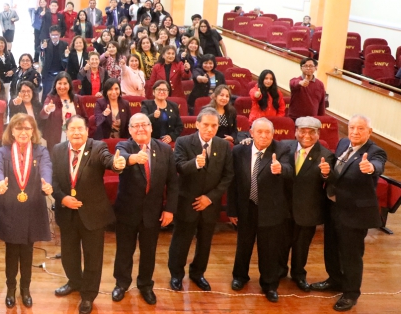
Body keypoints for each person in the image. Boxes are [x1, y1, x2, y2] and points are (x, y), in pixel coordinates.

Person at [51, 115, 126, 314]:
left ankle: (88, 295)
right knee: (69, 254)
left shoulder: (98, 147)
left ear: (87, 131)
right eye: (72, 129)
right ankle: (74, 282)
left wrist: (117, 165)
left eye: (80, 129)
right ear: (66, 132)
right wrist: (62, 198)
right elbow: (54, 181)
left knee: (93, 257)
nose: (76, 132)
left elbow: (108, 160)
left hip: (93, 213)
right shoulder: (58, 150)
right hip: (67, 211)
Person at [312, 115, 386, 311]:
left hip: (354, 213)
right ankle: (335, 280)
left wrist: (370, 168)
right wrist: (327, 173)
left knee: (351, 255)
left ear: (369, 132)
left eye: (360, 129)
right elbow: (339, 173)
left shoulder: (375, 152)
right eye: (352, 127)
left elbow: (377, 166)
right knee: (331, 248)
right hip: (333, 206)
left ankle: (351, 294)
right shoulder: (344, 142)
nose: (355, 132)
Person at [111, 113, 177, 304]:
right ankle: (121, 284)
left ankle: (145, 285)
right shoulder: (123, 146)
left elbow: (173, 182)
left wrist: (169, 209)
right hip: (127, 211)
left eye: (144, 125)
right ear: (130, 130)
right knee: (124, 250)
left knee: (149, 251)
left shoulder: (164, 149)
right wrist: (133, 158)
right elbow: (121, 158)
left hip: (153, 212)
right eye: (135, 126)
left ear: (151, 127)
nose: (140, 129)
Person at [167, 107, 234, 292]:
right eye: (205, 125)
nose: (209, 129)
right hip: (187, 202)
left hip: (210, 205)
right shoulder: (183, 142)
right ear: (197, 124)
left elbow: (228, 176)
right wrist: (195, 163)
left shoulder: (223, 145)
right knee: (181, 241)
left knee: (205, 243)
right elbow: (178, 167)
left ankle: (198, 274)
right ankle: (176, 275)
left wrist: (210, 198)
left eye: (214, 126)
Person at [0, 113, 53, 308]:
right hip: (9, 207)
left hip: (32, 207)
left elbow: (46, 168)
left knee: (27, 251)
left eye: (27, 128)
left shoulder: (40, 151)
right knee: (11, 251)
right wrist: (0, 181)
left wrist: (47, 183)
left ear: (33, 131)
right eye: (19, 128)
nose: (23, 132)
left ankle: (25, 290)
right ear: (12, 131)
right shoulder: (3, 151)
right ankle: (11, 289)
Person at [228, 118, 293, 303]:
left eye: (268, 132)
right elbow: (233, 183)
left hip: (270, 209)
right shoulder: (240, 151)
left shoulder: (281, 150)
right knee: (243, 246)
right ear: (251, 132)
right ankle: (240, 277)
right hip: (246, 206)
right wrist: (232, 209)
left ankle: (269, 284)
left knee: (269, 248)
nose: (264, 135)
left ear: (273, 134)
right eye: (260, 132)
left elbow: (289, 170)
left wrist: (280, 168)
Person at [277, 117, 333, 293]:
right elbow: (263, 142)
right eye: (302, 130)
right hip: (285, 207)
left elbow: (331, 180)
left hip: (308, 209)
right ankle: (279, 271)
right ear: (296, 132)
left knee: (302, 246)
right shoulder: (285, 146)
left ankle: (298, 274)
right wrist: (245, 138)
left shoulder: (326, 155)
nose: (306, 135)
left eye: (311, 132)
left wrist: (326, 174)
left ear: (318, 134)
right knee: (282, 242)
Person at [41, 72, 88, 150]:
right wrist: (47, 109)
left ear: (69, 85)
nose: (62, 86)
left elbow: (85, 118)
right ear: (55, 85)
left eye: (65, 83)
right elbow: (43, 115)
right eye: (59, 83)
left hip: (75, 134)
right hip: (57, 137)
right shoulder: (50, 98)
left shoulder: (77, 99)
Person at [40, 26, 69, 99]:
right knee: (46, 94)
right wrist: (43, 47)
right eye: (53, 35)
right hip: (48, 73)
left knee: (60, 94)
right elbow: (38, 50)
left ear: (60, 35)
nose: (55, 37)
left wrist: (66, 56)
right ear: (50, 35)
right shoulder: (45, 42)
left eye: (56, 35)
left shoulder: (64, 44)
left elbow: (66, 60)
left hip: (60, 73)